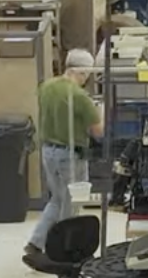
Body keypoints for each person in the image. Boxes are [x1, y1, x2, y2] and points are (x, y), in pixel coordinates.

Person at [26, 48, 104, 263]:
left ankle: (36, 242)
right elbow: (99, 132)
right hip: (70, 156)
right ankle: (63, 250)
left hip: (48, 152)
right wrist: (102, 113)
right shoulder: (79, 96)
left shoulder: (46, 87)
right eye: (87, 74)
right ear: (82, 72)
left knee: (57, 199)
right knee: (71, 205)